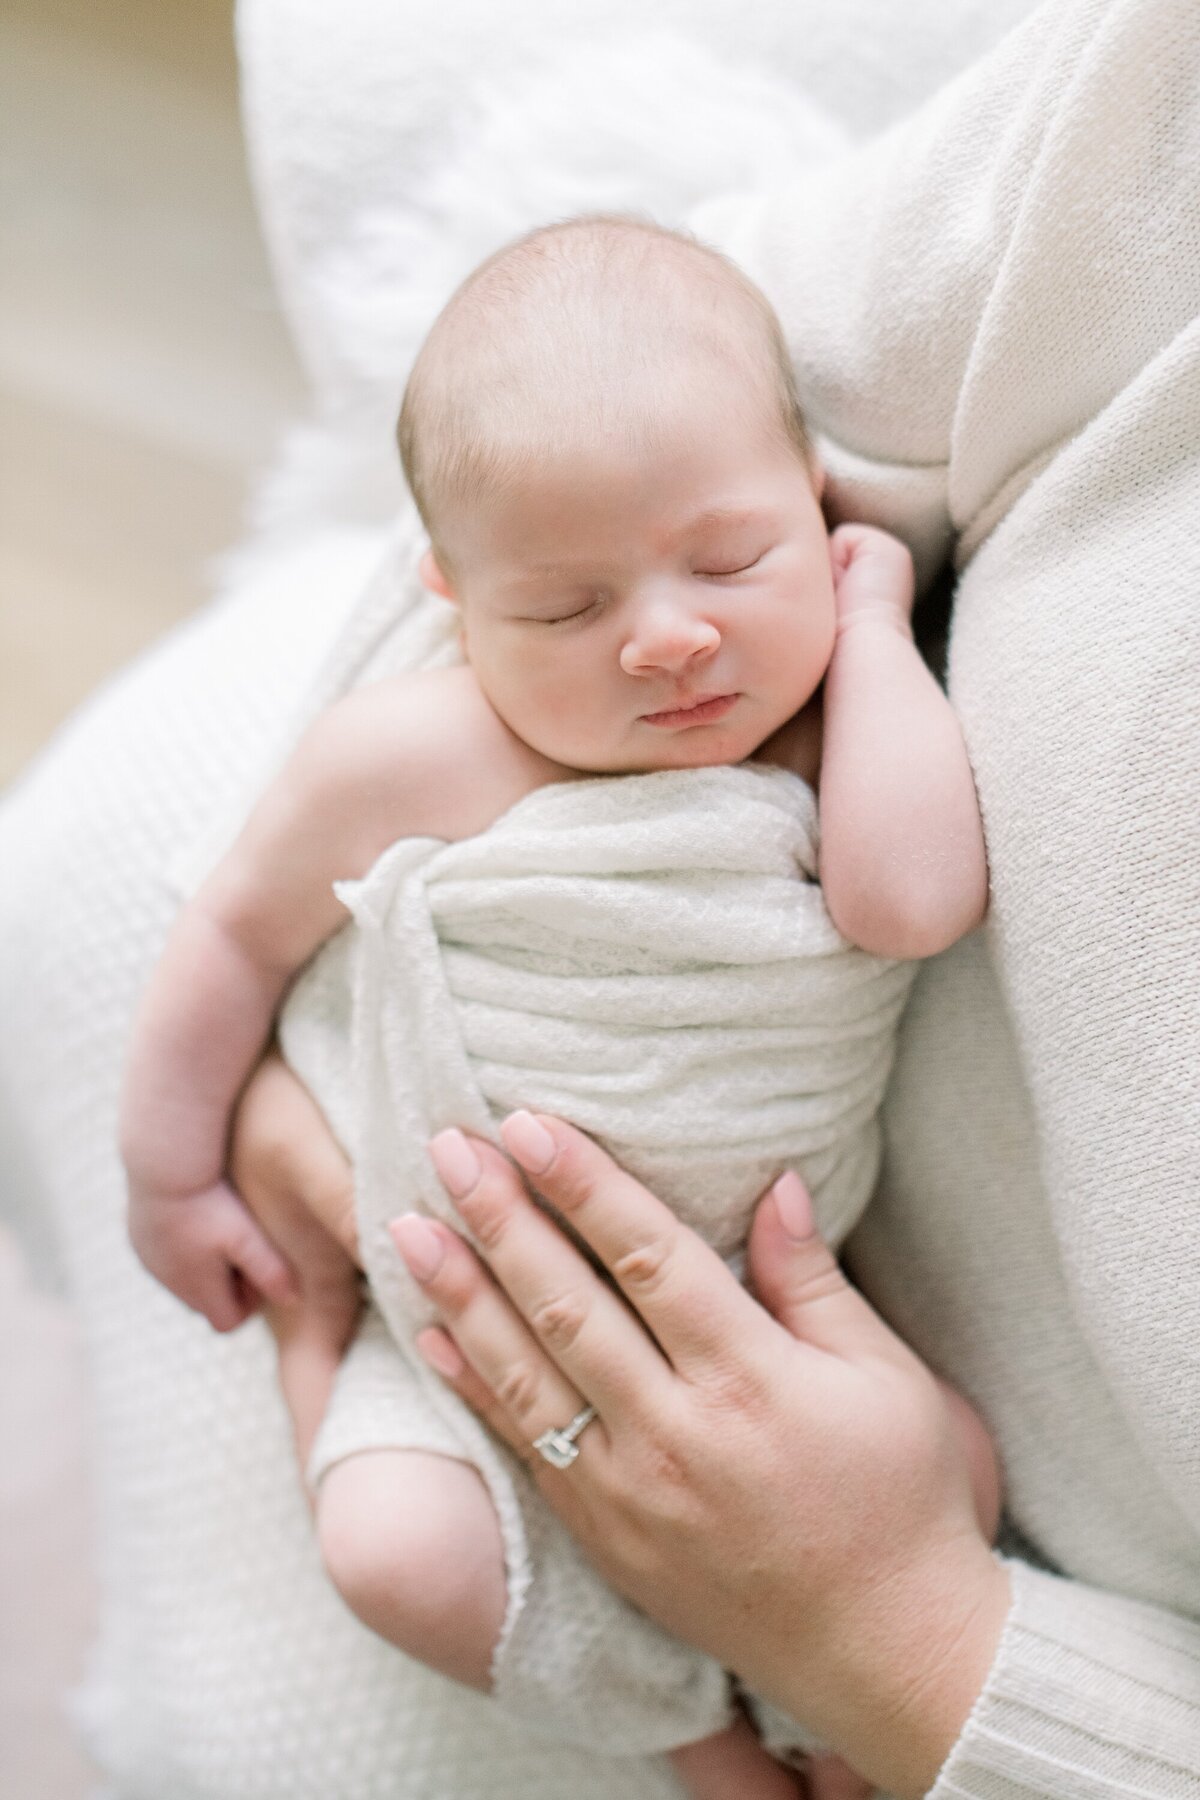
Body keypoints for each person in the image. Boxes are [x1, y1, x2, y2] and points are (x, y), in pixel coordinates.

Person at [119, 215, 993, 1798]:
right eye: (564, 610)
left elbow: (911, 902)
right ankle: (696, 1737)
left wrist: (870, 630)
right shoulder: (414, 752)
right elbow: (230, 938)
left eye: (730, 561)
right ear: (454, 600)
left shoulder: (819, 735)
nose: (668, 639)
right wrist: (169, 1170)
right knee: (391, 1550)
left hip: (766, 1314)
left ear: (820, 507)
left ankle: (830, 1712)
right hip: (458, 1313)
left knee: (963, 1481)